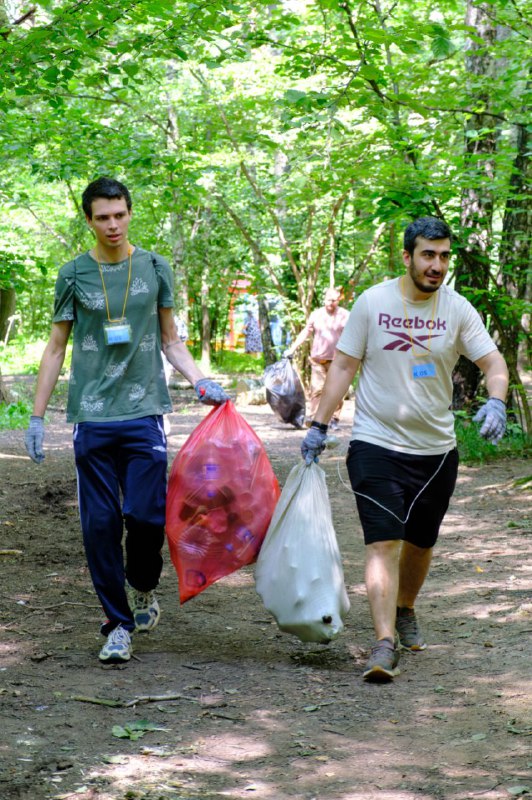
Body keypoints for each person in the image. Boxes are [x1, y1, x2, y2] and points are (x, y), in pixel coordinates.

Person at [24, 177, 229, 665]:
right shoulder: (73, 274)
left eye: (119, 215)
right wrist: (36, 416)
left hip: (144, 412)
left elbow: (170, 339)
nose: (112, 225)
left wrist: (201, 380)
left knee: (144, 516)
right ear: (89, 220)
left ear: (130, 213)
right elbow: (56, 348)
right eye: (102, 217)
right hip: (91, 416)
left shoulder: (156, 267)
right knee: (98, 525)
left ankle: (142, 587)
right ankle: (116, 624)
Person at [300, 217, 509, 683]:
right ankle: (383, 642)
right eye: (428, 255)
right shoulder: (373, 303)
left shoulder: (456, 309)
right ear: (407, 256)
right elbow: (343, 367)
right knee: (383, 542)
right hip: (376, 444)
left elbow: (493, 360)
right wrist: (319, 423)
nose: (437, 265)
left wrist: (496, 399)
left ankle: (405, 607)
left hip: (436, 452)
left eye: (444, 256)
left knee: (420, 543)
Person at [285, 287, 349, 431]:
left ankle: (334, 419)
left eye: (334, 301)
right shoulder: (316, 314)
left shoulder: (345, 316)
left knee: (337, 391)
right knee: (317, 389)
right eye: (328, 300)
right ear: (324, 298)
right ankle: (314, 419)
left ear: (338, 300)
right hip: (318, 359)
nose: (330, 303)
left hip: (337, 360)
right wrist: (292, 348)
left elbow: (353, 336)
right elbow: (305, 332)